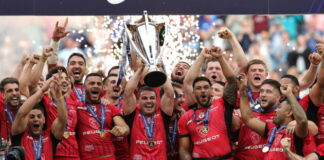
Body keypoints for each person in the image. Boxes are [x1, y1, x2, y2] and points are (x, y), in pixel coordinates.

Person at [179, 46, 238, 159]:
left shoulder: (222, 104)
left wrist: (220, 58)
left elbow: (232, 81)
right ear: (194, 92)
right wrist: (201, 57)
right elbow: (184, 150)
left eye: (206, 87)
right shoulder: (186, 118)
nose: (203, 91)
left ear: (211, 90)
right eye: (199, 88)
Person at [239, 73, 315, 159]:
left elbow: (303, 121)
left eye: (280, 108)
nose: (276, 110)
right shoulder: (272, 129)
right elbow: (248, 119)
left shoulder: (296, 131)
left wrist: (289, 95)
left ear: (289, 113)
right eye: (262, 91)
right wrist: (242, 91)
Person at [123, 59, 174, 159]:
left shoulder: (163, 113)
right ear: (138, 101)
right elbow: (128, 93)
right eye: (144, 98)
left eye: (152, 98)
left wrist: (159, 69)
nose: (149, 101)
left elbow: (170, 93)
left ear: (157, 100)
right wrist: (140, 70)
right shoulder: (133, 113)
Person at [11, 75, 67, 160]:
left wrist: (59, 95)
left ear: (44, 120)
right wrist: (42, 90)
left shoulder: (50, 136)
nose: (36, 119)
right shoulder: (19, 134)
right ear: (26, 120)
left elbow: (62, 120)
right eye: (32, 117)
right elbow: (21, 113)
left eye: (39, 116)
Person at [76, 73, 129, 160]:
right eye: (92, 83)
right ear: (84, 87)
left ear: (103, 88)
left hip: (109, 157)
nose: (96, 86)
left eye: (99, 84)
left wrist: (123, 129)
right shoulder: (76, 107)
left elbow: (125, 127)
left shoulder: (110, 107)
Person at [44, 67, 79, 160]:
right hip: (54, 154)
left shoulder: (74, 103)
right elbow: (29, 86)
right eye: (59, 78)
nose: (64, 81)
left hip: (74, 155)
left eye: (66, 78)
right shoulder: (45, 100)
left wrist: (104, 101)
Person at [102, 74, 129, 160]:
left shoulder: (127, 105)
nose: (117, 85)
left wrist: (124, 129)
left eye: (119, 83)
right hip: (104, 154)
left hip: (123, 155)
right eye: (113, 82)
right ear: (104, 87)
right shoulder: (97, 104)